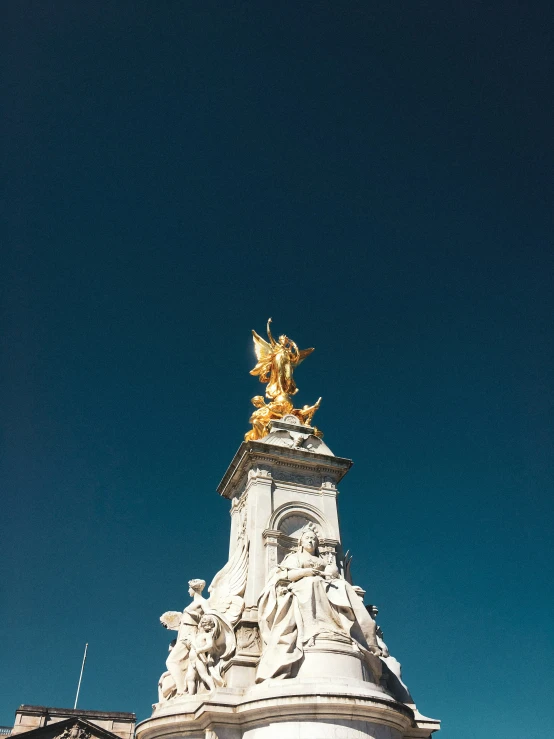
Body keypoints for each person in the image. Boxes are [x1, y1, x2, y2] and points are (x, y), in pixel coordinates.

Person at [256, 524, 381, 683]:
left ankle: (358, 635)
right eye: (307, 538)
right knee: (312, 583)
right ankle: (315, 630)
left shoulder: (323, 561)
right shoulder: (295, 558)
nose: (311, 541)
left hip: (325, 585)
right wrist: (305, 572)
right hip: (301, 585)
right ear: (300, 542)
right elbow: (285, 574)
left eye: (314, 539)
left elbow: (336, 577)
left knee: (343, 588)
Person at [163, 579, 208, 695]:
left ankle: (181, 689)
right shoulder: (193, 604)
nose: (188, 591)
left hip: (189, 636)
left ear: (194, 588)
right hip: (184, 635)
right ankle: (182, 688)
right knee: (178, 663)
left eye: (189, 588)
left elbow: (210, 616)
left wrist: (194, 614)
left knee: (171, 661)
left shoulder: (202, 602)